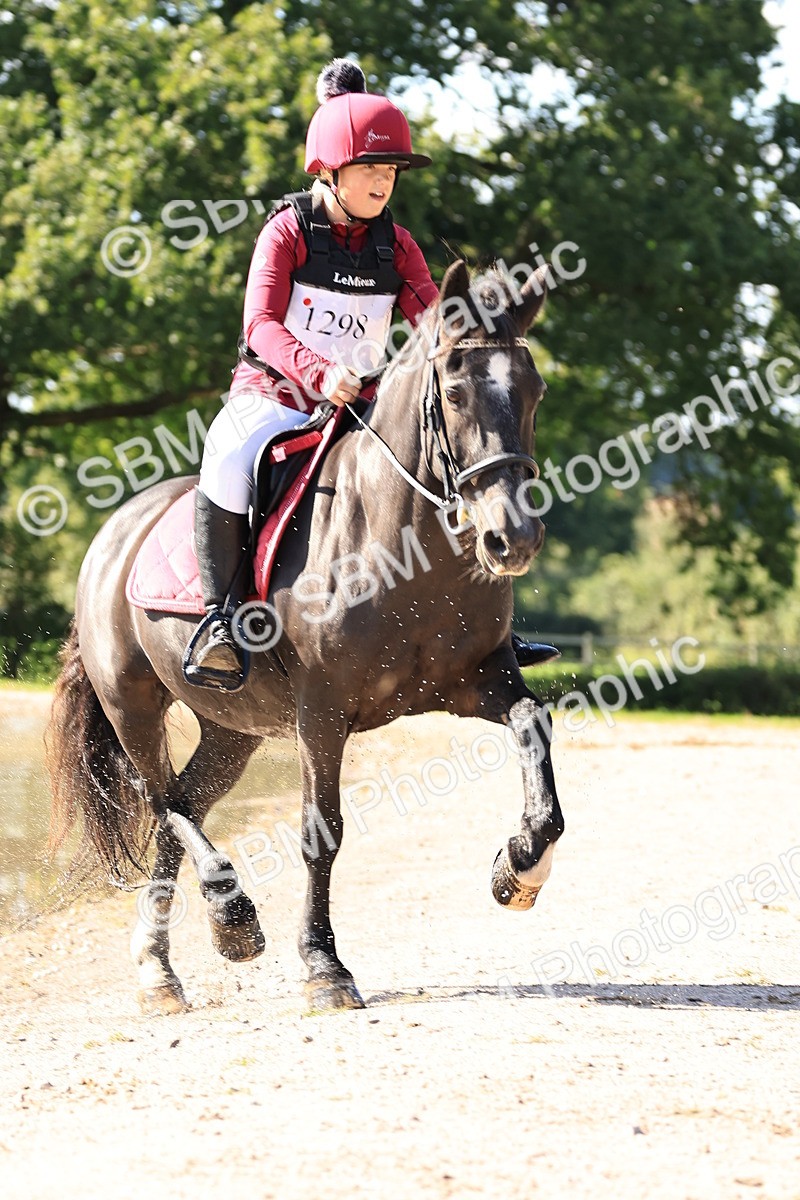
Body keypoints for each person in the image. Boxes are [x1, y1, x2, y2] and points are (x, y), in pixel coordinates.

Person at [192, 58, 557, 680]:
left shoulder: (399, 245)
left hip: (358, 403)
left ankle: (484, 632)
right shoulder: (286, 234)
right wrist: (316, 369)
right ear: (330, 171)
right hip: (275, 394)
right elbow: (259, 326)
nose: (383, 182)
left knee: (446, 455)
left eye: (389, 170)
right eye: (369, 169)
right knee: (226, 456)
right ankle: (221, 619)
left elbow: (436, 322)